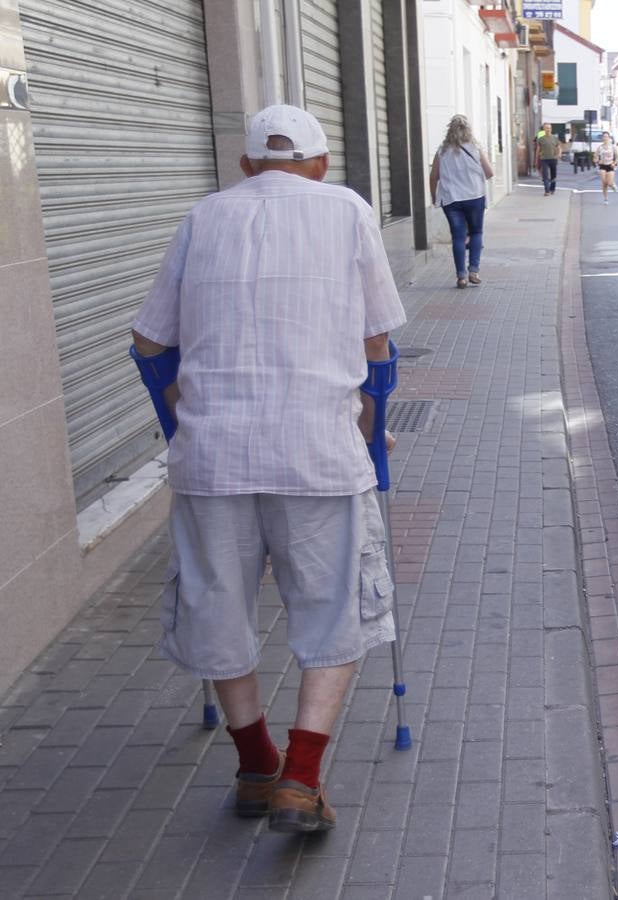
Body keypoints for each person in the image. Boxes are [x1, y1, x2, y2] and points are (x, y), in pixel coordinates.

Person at [128, 104, 407, 832]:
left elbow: (149, 340)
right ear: (317, 163)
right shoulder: (346, 210)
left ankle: (255, 765)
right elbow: (377, 340)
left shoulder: (203, 215)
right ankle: (301, 778)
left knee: (217, 606)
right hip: (317, 450)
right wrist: (372, 422)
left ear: (249, 166)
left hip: (211, 457)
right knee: (331, 606)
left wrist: (177, 414)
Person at [430, 114, 494, 289]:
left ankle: (461, 277)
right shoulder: (475, 148)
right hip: (475, 197)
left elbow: (433, 177)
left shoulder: (441, 151)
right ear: (468, 130)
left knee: (458, 237)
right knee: (476, 233)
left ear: (449, 130)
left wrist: (434, 197)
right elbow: (489, 173)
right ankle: (474, 271)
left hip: (451, 200)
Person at [536, 128, 560, 195]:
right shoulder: (540, 139)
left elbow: (558, 147)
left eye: (549, 128)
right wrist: (536, 160)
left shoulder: (555, 138)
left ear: (551, 129)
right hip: (544, 159)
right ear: (544, 129)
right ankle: (547, 191)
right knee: (545, 175)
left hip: (553, 159)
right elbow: (538, 150)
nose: (548, 129)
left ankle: (552, 189)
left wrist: (558, 154)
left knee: (553, 176)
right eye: (546, 128)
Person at [596, 131, 618, 203]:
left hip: (610, 165)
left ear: (609, 138)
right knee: (604, 183)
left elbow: (617, 157)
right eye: (604, 136)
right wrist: (597, 161)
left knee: (609, 183)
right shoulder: (600, 147)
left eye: (606, 136)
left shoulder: (612, 147)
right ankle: (606, 198)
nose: (605, 138)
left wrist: (614, 163)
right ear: (602, 138)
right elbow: (595, 157)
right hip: (602, 165)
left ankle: (612, 185)